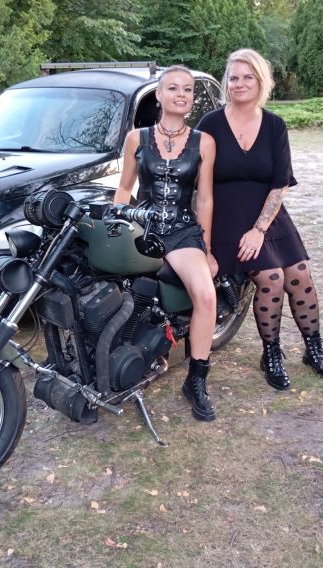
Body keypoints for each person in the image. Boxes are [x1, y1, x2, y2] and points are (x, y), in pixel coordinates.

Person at [197, 48, 323, 391]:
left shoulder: (274, 125)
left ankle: (313, 349)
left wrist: (260, 228)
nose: (240, 83)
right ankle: (271, 354)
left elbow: (280, 182)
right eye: (234, 77)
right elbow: (195, 179)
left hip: (267, 215)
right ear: (226, 83)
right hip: (226, 215)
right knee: (271, 277)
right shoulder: (210, 124)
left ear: (261, 81)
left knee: (299, 273)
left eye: (248, 77)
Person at [114, 65, 219, 421]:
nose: (181, 94)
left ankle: (197, 380)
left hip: (181, 231)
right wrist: (116, 224)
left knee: (206, 296)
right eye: (172, 88)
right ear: (158, 95)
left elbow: (205, 198)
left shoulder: (204, 142)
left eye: (187, 89)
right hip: (142, 228)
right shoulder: (136, 138)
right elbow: (124, 189)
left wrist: (206, 248)